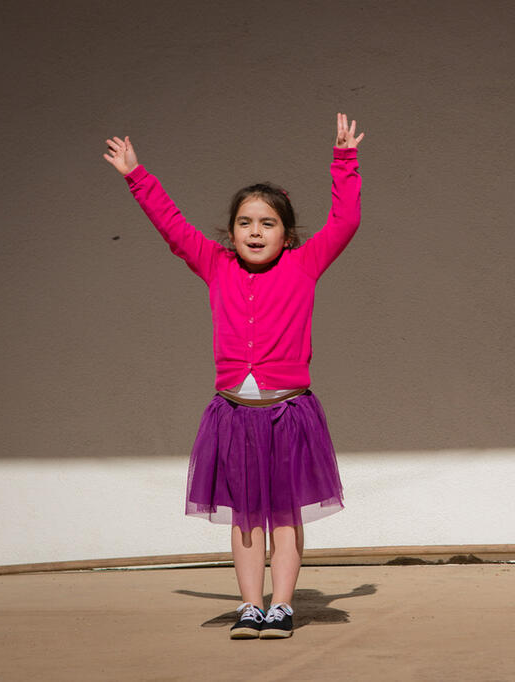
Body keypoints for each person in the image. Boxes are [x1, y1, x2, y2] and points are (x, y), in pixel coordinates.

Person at [103, 113, 364, 639]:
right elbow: (172, 226)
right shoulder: (215, 264)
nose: (255, 232)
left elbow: (345, 221)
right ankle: (250, 605)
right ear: (231, 232)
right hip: (235, 415)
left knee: (284, 518)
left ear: (287, 235)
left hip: (289, 414)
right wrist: (137, 176)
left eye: (267, 223)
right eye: (245, 223)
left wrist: (344, 161)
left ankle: (281, 606)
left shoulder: (304, 265)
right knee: (246, 519)